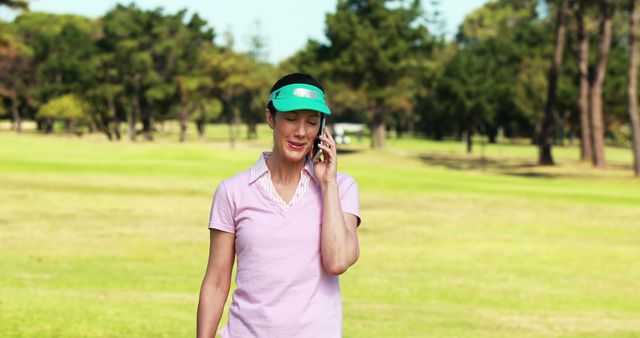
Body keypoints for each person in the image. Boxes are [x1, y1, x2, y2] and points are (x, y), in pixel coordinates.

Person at [196, 73, 361, 338]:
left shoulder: (341, 187)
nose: (300, 131)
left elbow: (338, 261)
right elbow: (216, 282)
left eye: (311, 122)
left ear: (321, 129)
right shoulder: (233, 191)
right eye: (291, 118)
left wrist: (327, 184)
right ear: (271, 118)